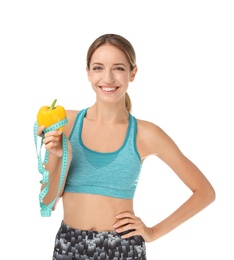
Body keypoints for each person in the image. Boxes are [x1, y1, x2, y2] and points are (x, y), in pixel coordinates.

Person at [37, 33, 216, 260]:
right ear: (88, 73)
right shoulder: (66, 123)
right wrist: (60, 156)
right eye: (99, 68)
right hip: (68, 245)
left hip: (122, 248)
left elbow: (205, 192)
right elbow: (47, 203)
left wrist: (152, 232)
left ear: (133, 73)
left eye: (119, 68)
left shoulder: (146, 134)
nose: (108, 78)